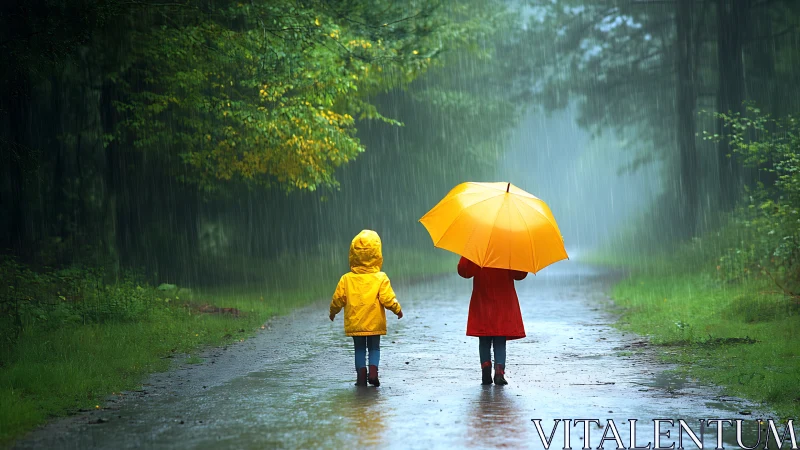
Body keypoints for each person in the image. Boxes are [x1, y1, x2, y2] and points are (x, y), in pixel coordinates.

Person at [330, 230, 403, 387]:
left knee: (359, 349)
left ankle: (361, 376)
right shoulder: (380, 277)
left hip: (356, 322)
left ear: (353, 254)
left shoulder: (346, 279)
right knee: (374, 348)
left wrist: (333, 312)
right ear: (377, 254)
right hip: (375, 322)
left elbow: (338, 299)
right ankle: (374, 372)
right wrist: (397, 309)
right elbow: (387, 298)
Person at [457, 256, 527, 385]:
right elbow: (519, 275)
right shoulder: (509, 249)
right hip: (503, 300)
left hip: (482, 298)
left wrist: (468, 256)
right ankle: (499, 370)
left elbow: (464, 272)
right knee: (500, 338)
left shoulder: (478, 249)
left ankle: (486, 367)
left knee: (484, 337)